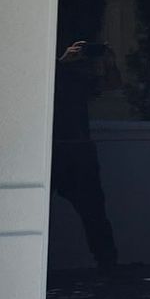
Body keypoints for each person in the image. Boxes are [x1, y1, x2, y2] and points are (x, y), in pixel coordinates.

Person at [51, 40, 120, 272]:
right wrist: (61, 62)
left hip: (80, 150)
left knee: (94, 212)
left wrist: (110, 62)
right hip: (55, 150)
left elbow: (111, 85)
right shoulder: (54, 74)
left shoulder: (78, 79)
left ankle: (107, 262)